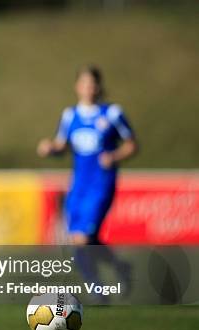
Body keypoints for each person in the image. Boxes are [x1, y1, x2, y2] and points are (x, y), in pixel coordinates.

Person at [37, 65, 138, 298]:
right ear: (77, 87)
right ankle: (120, 268)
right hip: (78, 185)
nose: (88, 88)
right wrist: (50, 148)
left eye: (92, 84)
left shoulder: (112, 113)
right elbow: (62, 146)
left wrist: (114, 156)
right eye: (84, 83)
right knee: (80, 240)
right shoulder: (70, 115)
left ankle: (97, 290)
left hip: (101, 184)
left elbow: (132, 145)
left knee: (82, 238)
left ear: (99, 87)